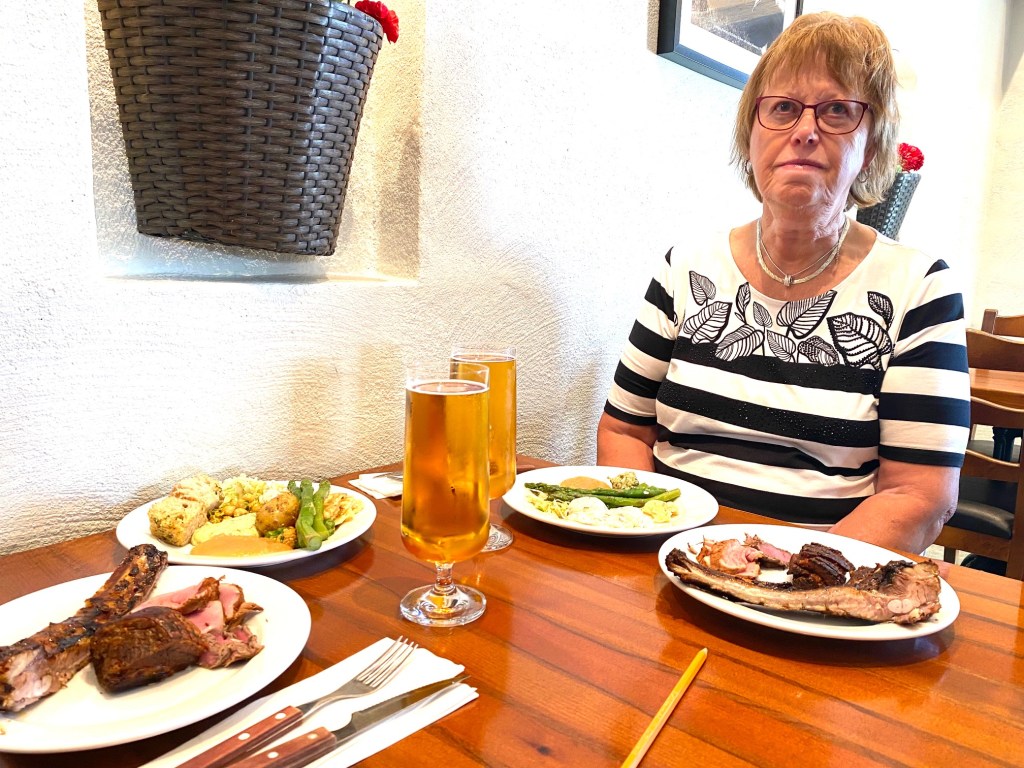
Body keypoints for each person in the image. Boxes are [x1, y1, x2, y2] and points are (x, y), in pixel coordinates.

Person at [597, 12, 969, 555]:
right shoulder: (685, 267)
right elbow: (624, 430)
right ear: (751, 136)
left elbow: (919, 494)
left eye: (838, 110)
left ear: (871, 146)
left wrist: (781, 577)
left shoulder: (919, 288)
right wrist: (651, 537)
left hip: (821, 578)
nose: (805, 130)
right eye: (783, 108)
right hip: (670, 559)